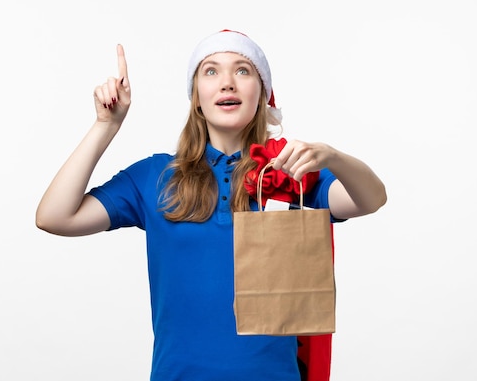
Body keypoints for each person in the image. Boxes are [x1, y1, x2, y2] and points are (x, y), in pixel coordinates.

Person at [36, 29, 387, 381]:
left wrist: (334, 157)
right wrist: (105, 125)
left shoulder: (287, 169)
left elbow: (370, 199)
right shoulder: (154, 176)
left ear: (262, 94)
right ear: (197, 98)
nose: (228, 83)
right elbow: (55, 217)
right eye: (211, 70)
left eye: (243, 70)